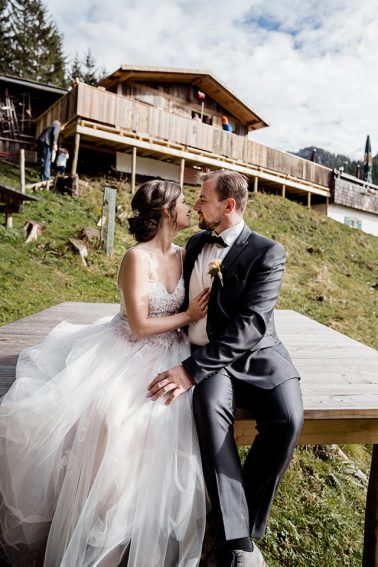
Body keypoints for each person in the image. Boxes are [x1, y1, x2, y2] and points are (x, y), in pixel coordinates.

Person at [0, 180, 209, 567]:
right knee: (112, 417)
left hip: (172, 351)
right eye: (183, 203)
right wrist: (189, 316)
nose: (190, 209)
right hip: (129, 347)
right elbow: (139, 326)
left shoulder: (188, 253)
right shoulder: (136, 257)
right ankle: (101, 522)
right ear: (165, 211)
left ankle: (141, 522)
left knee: (166, 420)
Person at [148, 170, 304, 567]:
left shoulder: (269, 252)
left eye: (203, 200)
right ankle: (238, 541)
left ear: (228, 206)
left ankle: (241, 522)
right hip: (214, 362)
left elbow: (252, 323)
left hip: (259, 356)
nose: (196, 205)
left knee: (288, 419)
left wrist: (189, 370)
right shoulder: (197, 242)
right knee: (209, 410)